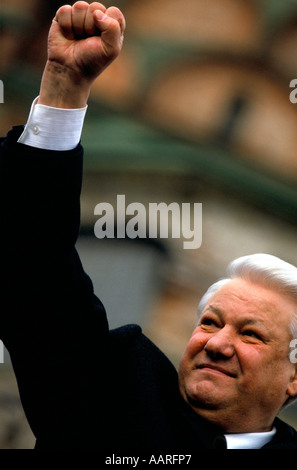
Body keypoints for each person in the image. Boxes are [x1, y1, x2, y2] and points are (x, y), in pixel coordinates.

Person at [0, 2, 296, 451]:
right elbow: (34, 266)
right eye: (210, 322)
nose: (216, 343)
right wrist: (65, 86)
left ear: (293, 378)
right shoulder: (114, 398)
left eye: (251, 333)